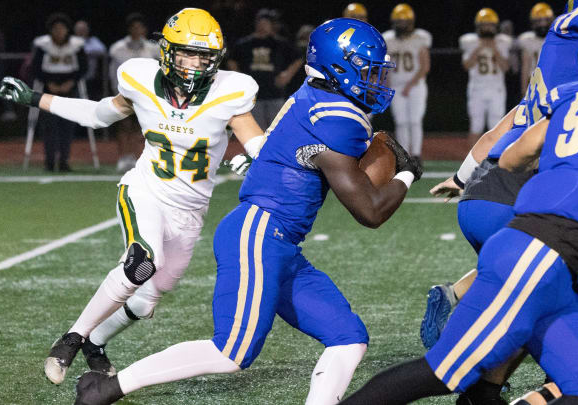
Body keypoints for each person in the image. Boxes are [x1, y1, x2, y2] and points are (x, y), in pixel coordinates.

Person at [339, 2, 578, 404]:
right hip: (542, 252)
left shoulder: (573, 98)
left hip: (548, 261)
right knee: (446, 370)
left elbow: (511, 156)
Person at [68, 17, 422, 405]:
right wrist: (405, 172)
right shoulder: (336, 117)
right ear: (341, 67)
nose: (376, 80)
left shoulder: (317, 96)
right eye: (368, 71)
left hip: (281, 241)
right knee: (232, 352)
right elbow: (370, 211)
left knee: (348, 337)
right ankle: (107, 387)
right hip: (260, 232)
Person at [0, 7, 265, 386]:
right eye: (188, 53)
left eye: (204, 56)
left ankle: (96, 343)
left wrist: (252, 159)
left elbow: (258, 144)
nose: (195, 64)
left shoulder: (231, 90)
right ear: (168, 52)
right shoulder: (139, 79)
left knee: (145, 301)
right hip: (146, 191)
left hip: (190, 210)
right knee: (142, 261)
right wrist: (35, 98)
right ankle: (71, 339)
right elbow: (97, 114)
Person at [227, 8, 303, 130]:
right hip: (253, 95)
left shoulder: (279, 43)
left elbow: (299, 58)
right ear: (256, 24)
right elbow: (231, 59)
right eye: (260, 23)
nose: (263, 26)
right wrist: (240, 78)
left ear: (271, 25)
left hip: (275, 92)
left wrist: (287, 75)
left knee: (278, 129)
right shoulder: (245, 43)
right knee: (256, 131)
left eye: (266, 23)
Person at [31, 13, 87, 172]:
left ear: (67, 30)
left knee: (67, 126)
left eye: (62, 29)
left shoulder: (76, 45)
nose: (59, 32)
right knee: (49, 126)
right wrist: (49, 83)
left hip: (69, 89)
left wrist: (71, 82)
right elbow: (35, 68)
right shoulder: (43, 45)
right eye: (55, 29)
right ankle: (49, 162)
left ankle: (64, 161)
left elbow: (83, 68)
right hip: (48, 90)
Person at [108, 12, 160, 173]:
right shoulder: (118, 49)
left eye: (140, 27)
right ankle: (123, 158)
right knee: (124, 127)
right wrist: (115, 92)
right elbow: (112, 73)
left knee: (141, 128)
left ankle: (139, 159)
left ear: (144, 29)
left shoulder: (153, 49)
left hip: (147, 96)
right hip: (124, 94)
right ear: (129, 29)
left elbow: (160, 72)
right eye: (133, 27)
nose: (137, 30)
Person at [383, 3, 431, 161]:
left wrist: (410, 84)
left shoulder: (420, 38)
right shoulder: (388, 39)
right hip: (396, 85)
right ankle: (404, 155)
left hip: (416, 85)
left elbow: (425, 66)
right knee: (401, 122)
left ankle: (416, 155)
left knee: (415, 121)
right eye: (399, 21)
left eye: (404, 21)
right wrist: (387, 84)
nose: (401, 24)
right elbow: (386, 67)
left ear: (411, 22)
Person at [460, 8, 512, 149]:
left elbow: (506, 67)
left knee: (497, 127)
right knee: (476, 126)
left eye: (490, 25)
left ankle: (494, 162)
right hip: (477, 89)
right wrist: (479, 48)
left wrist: (494, 49)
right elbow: (467, 65)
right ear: (478, 26)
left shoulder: (502, 42)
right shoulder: (471, 41)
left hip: (496, 89)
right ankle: (471, 162)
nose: (487, 28)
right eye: (484, 25)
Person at [517, 3, 553, 96]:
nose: (542, 24)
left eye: (545, 20)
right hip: (534, 84)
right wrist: (523, 90)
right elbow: (525, 66)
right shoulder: (527, 40)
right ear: (533, 23)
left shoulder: (557, 38)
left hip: (554, 83)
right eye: (539, 21)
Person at [73, 20, 106, 100]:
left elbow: (102, 50)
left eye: (83, 29)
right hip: (74, 80)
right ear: (74, 30)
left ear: (88, 30)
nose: (81, 32)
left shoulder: (93, 40)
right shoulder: (71, 41)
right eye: (79, 29)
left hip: (90, 80)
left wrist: (81, 50)